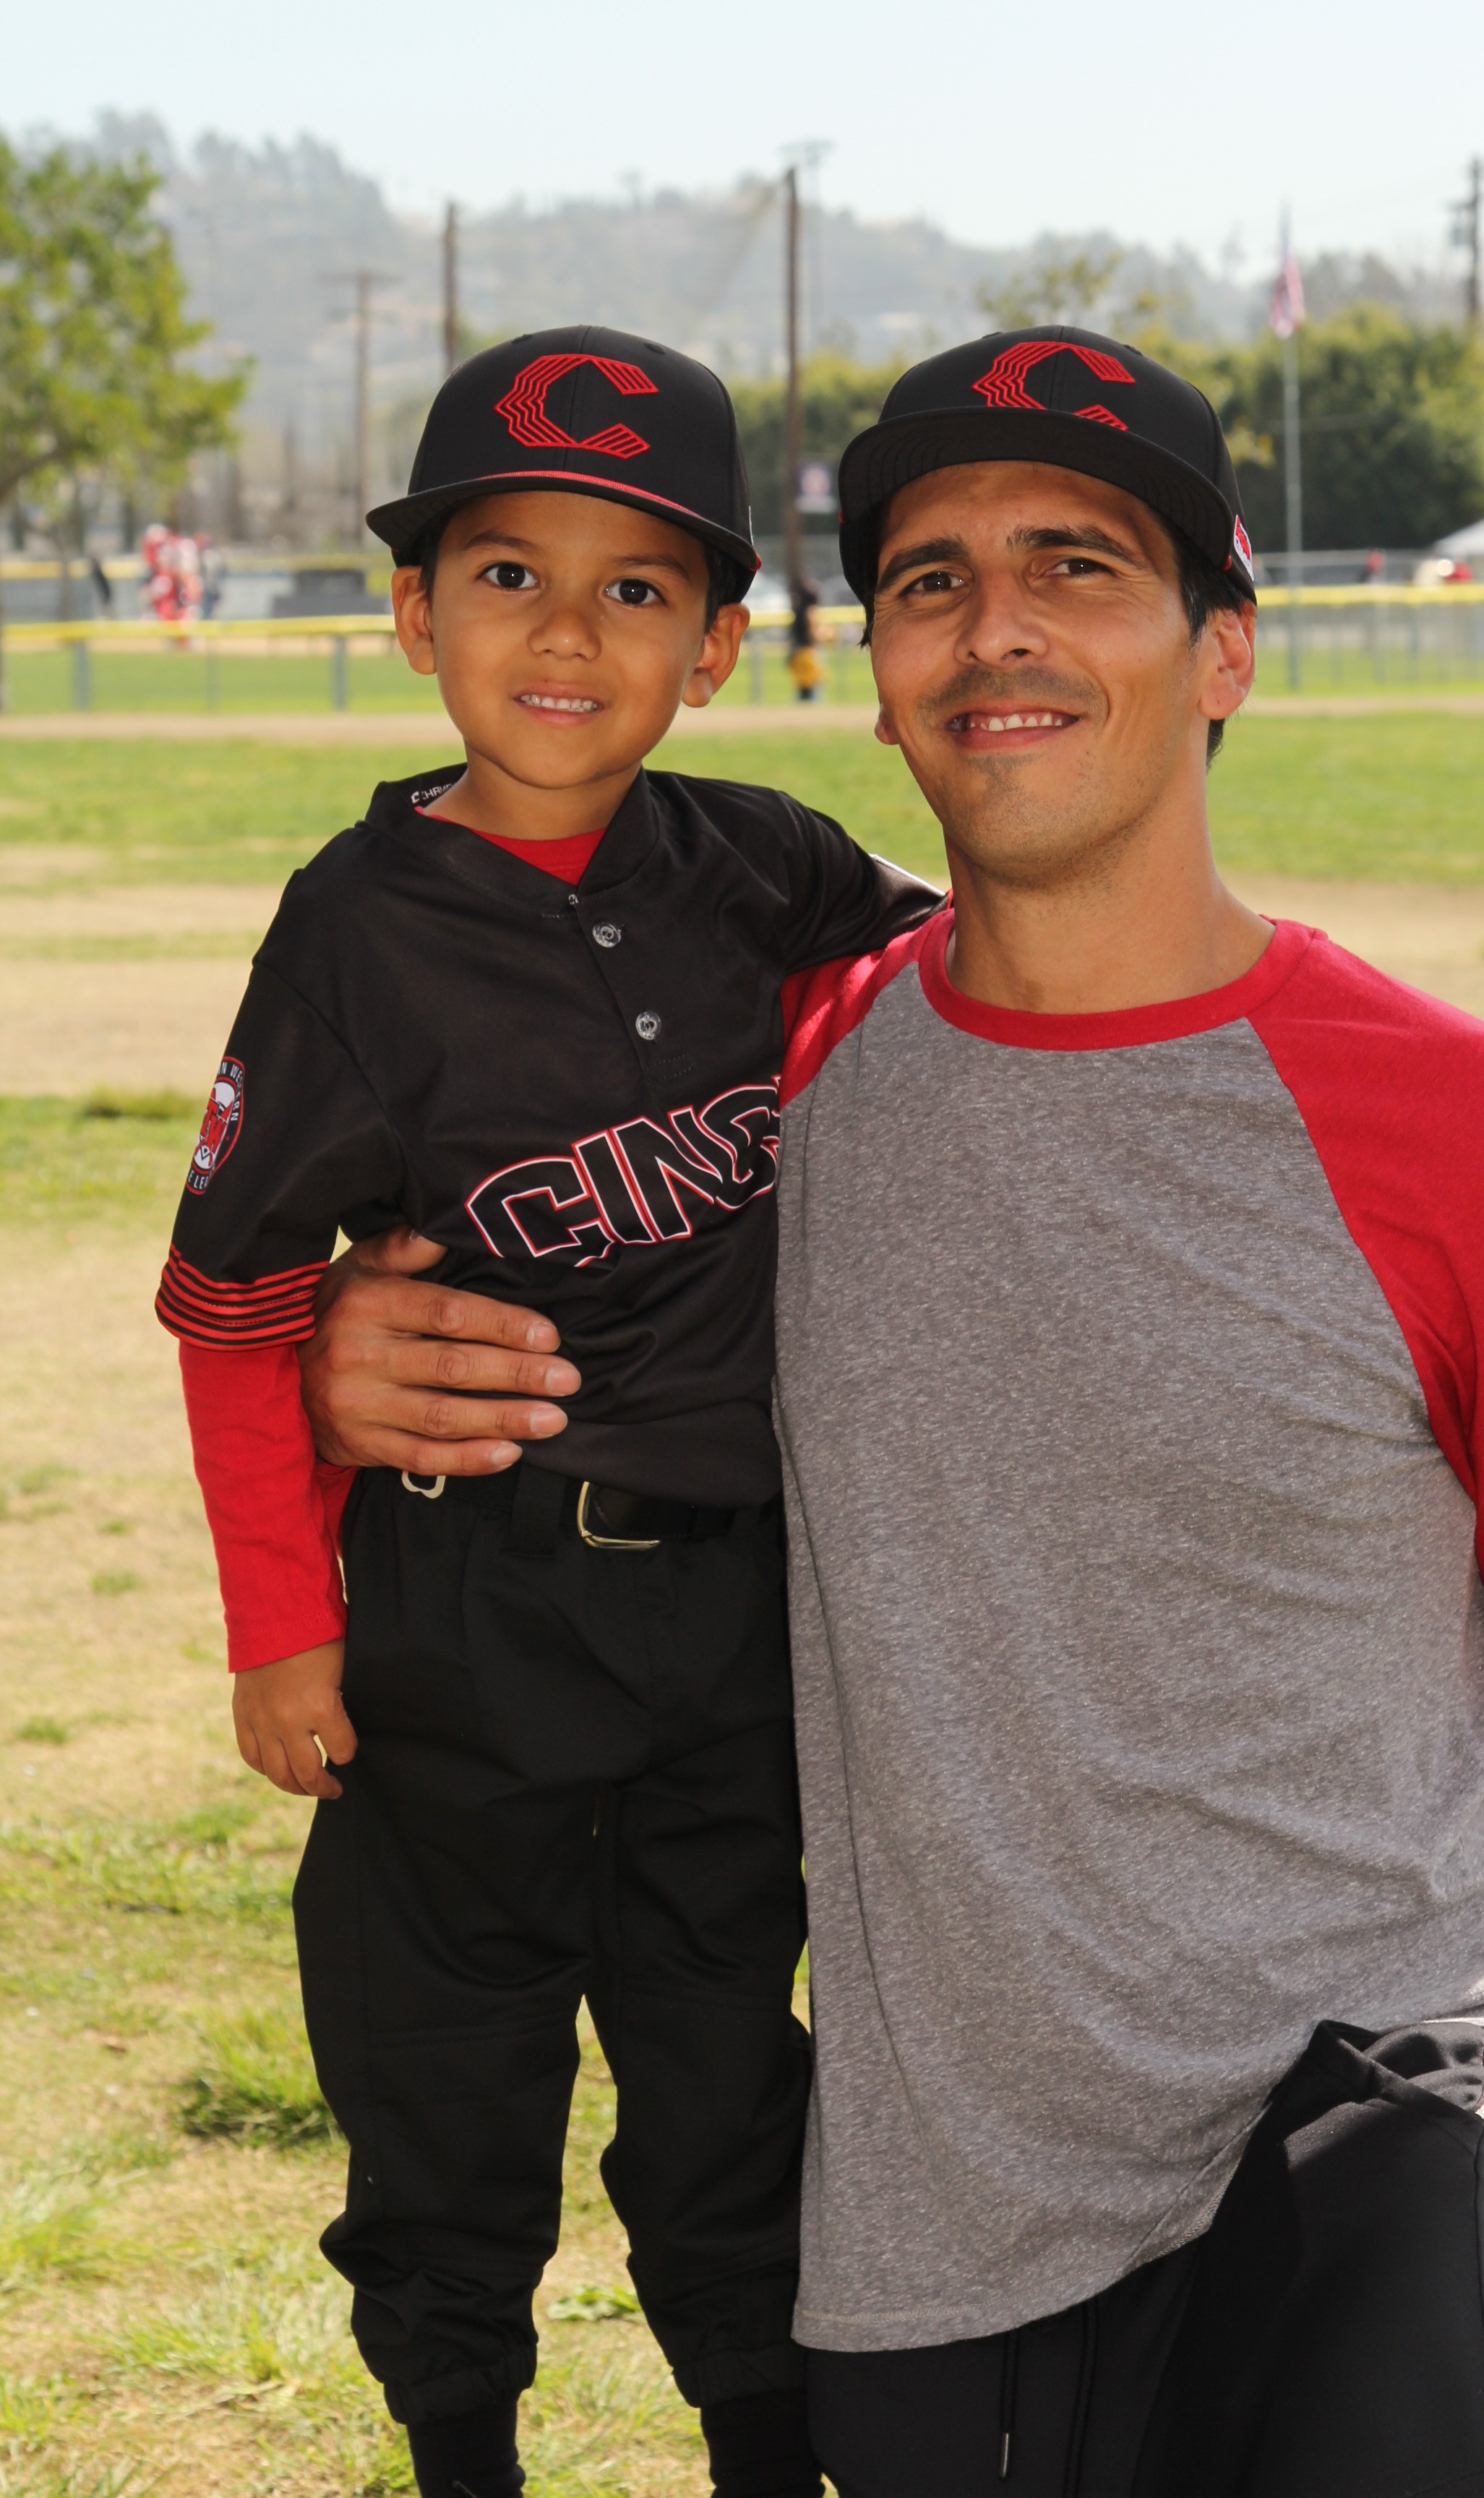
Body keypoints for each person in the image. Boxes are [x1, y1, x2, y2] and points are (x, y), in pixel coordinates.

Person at [299, 326, 1484, 2494]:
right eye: (930, 581)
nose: (995, 626)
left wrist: (1283, 1866)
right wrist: (350, 1356)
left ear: (1227, 653)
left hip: (1370, 2092)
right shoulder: (777, 1084)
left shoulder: (1483, 1133)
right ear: (876, 676)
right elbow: (516, 1271)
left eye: (1077, 564)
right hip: (940, 2220)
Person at [155, 325, 938, 2498]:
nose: (569, 634)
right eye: (508, 574)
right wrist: (280, 1627)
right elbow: (234, 1303)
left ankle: (768, 2455)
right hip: (468, 1605)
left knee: (729, 2078)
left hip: (735, 1613)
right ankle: (462, 2456)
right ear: (415, 615)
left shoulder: (763, 862)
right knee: (443, 2076)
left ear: (718, 646)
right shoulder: (352, 934)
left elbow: (971, 986)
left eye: (637, 587)